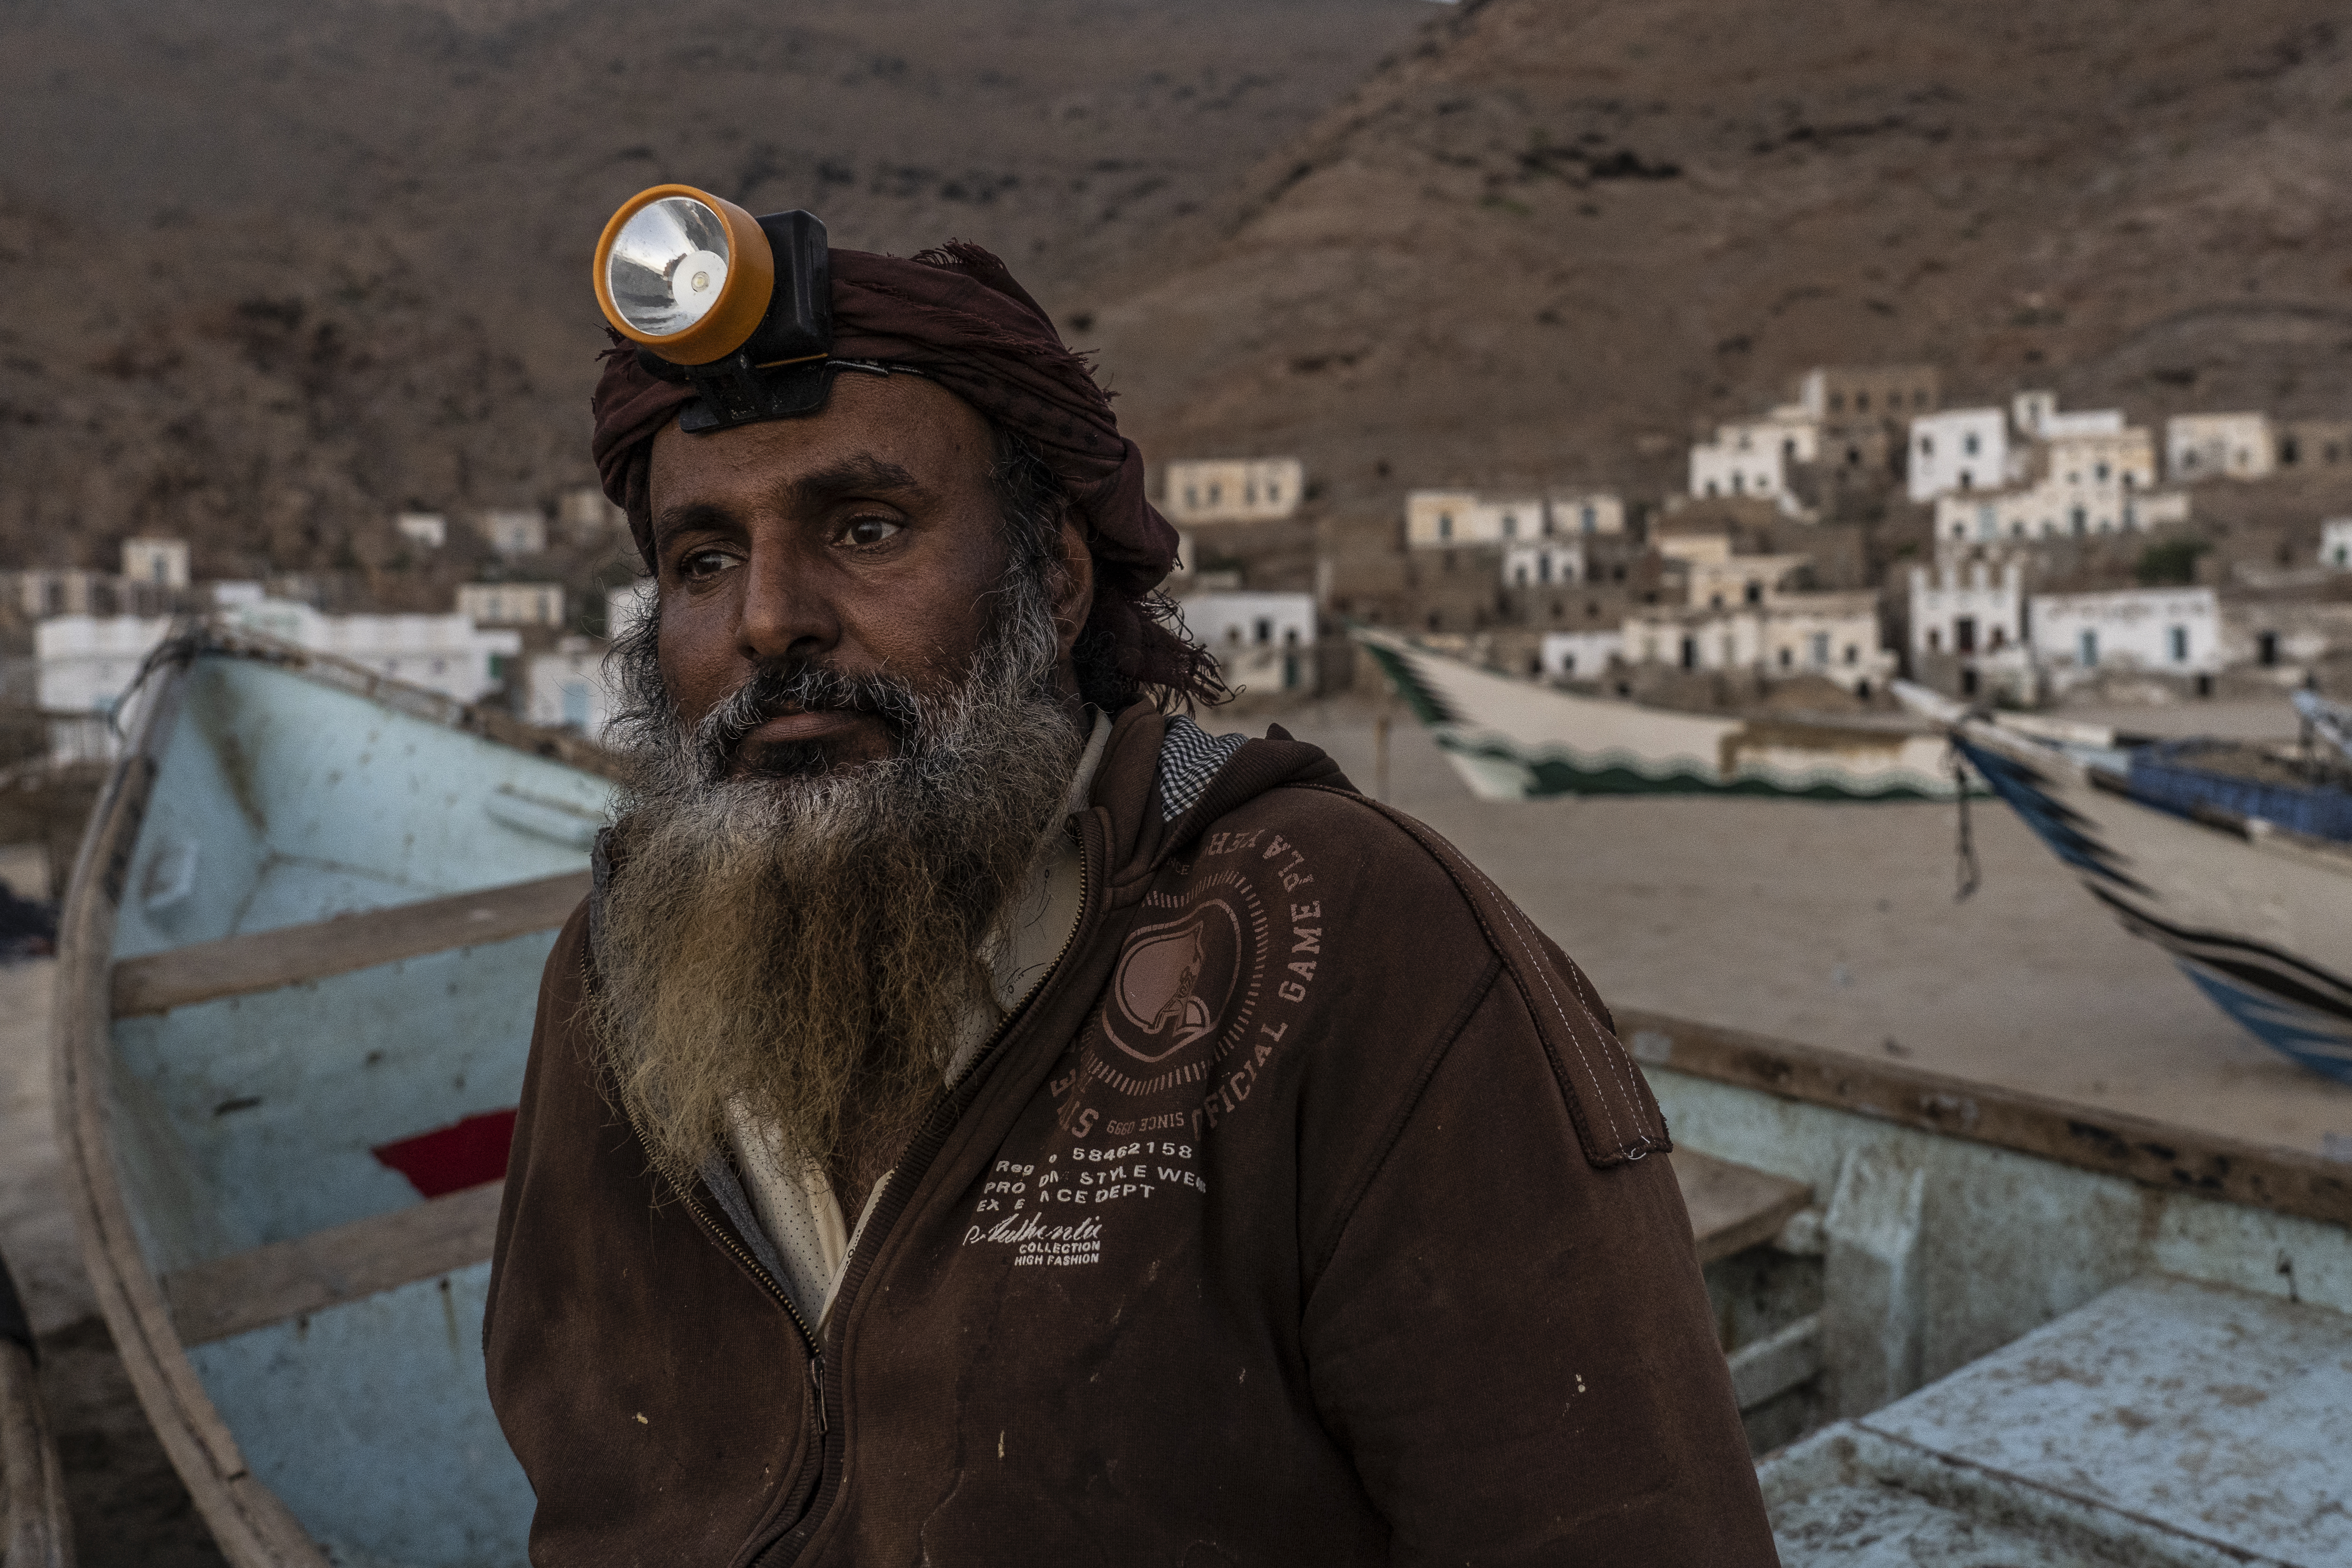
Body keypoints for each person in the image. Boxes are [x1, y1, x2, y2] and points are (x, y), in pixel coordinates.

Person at [483, 229, 1778, 1566]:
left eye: (865, 530)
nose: (769, 620)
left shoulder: (1342, 934)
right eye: (702, 560)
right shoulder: (622, 976)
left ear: (1050, 581)